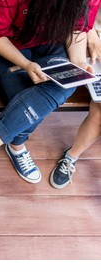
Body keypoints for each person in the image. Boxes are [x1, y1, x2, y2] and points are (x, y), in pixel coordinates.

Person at [0, 0, 101, 203]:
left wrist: (78, 63)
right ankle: (16, 145)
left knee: (65, 86)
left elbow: (77, 28)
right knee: (25, 104)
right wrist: (25, 64)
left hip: (52, 46)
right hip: (11, 46)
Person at [50, 26, 101, 189]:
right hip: (88, 40)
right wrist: (92, 33)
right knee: (99, 111)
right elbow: (81, 9)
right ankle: (71, 156)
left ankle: (71, 157)